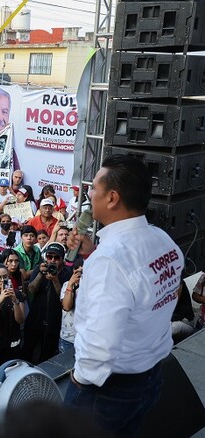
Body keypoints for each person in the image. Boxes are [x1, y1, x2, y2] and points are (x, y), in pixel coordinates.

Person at [65, 155, 184, 436]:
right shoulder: (163, 240)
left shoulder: (109, 262)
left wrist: (80, 380)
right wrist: (92, 253)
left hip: (105, 392)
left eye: (94, 188)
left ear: (112, 198)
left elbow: (101, 344)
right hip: (150, 376)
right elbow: (161, 293)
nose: (90, 194)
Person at [22, 242, 72, 364]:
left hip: (54, 321)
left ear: (62, 259)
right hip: (35, 318)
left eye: (56, 257)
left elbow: (64, 299)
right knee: (27, 352)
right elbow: (31, 289)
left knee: (47, 356)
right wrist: (40, 274)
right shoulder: (40, 268)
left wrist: (55, 280)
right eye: (50, 257)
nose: (53, 260)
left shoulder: (67, 273)